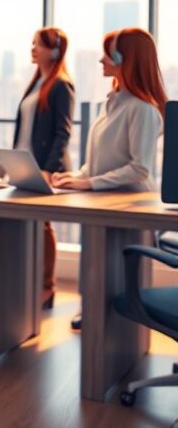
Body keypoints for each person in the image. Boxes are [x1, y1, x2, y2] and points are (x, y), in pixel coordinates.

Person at [51, 27, 167, 330]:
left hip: (130, 208)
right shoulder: (112, 103)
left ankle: (111, 330)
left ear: (125, 59)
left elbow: (139, 168)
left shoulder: (142, 109)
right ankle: (93, 312)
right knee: (96, 265)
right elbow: (98, 162)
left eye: (108, 54)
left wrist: (88, 183)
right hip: (104, 203)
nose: (102, 60)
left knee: (113, 273)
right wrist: (75, 176)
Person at [13, 27, 74, 310]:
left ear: (54, 50)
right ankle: (28, 282)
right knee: (28, 224)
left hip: (46, 168)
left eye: (38, 44)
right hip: (25, 164)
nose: (33, 48)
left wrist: (49, 169)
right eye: (32, 43)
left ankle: (47, 287)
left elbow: (63, 132)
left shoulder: (61, 85)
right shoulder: (37, 82)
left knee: (43, 224)